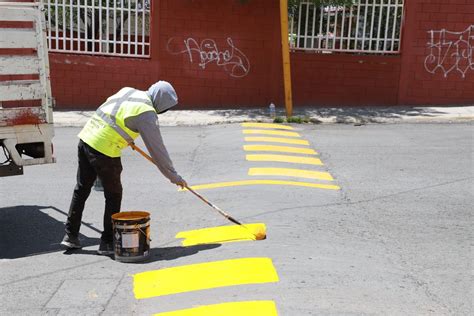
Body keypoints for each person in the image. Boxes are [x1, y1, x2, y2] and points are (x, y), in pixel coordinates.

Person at [60, 81, 187, 255]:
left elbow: (114, 117)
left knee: (81, 189)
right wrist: (174, 177)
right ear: (161, 102)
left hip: (86, 138)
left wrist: (126, 136)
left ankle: (70, 236)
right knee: (113, 195)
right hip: (105, 149)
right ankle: (107, 242)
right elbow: (158, 152)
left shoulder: (129, 91)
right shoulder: (146, 113)